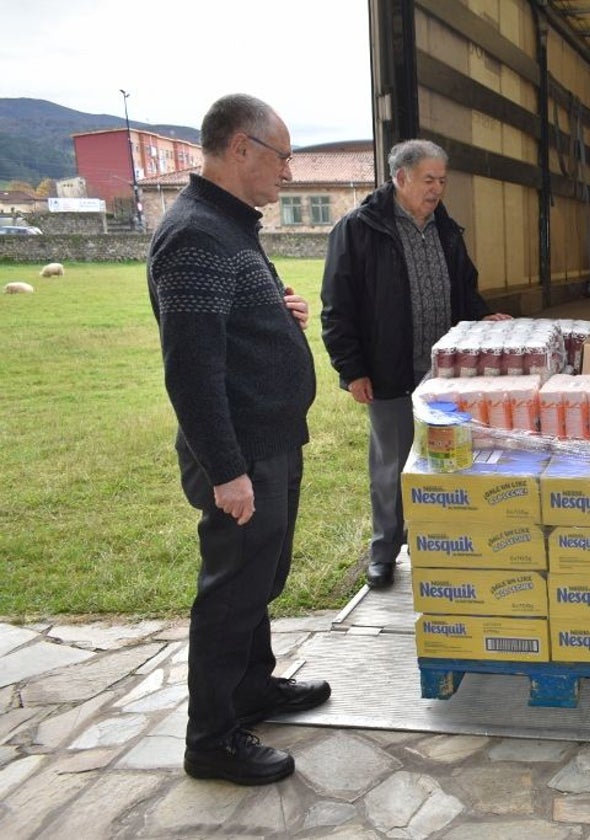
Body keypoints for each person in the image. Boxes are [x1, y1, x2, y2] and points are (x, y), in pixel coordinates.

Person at [148, 93, 331, 785]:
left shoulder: (230, 227)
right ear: (242, 149)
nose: (288, 171)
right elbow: (191, 370)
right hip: (240, 452)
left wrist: (281, 316)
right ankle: (213, 739)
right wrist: (226, 470)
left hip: (271, 440)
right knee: (230, 593)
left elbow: (229, 327)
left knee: (260, 579)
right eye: (282, 156)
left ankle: (254, 687)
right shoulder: (196, 233)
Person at [321, 139, 510, 589]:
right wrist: (352, 369)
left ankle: (438, 543)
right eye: (429, 180)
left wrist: (482, 315)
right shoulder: (359, 230)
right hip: (389, 370)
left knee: (448, 460)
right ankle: (384, 551)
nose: (437, 189)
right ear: (400, 177)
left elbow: (464, 288)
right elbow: (337, 306)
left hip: (444, 376)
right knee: (391, 466)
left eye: (442, 180)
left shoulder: (447, 230)